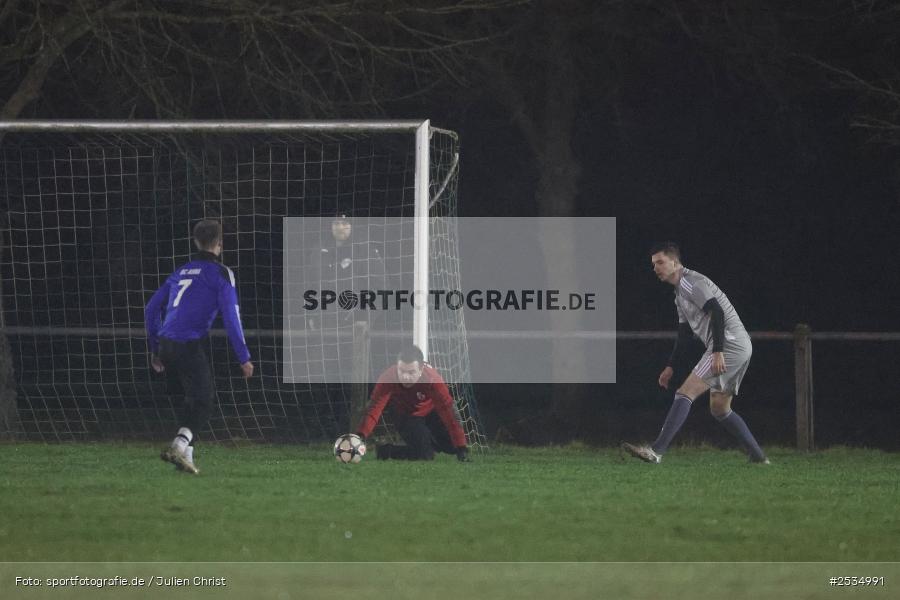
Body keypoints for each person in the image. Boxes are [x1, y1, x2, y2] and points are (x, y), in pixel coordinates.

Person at [622, 242, 769, 464]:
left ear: (674, 262)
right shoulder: (679, 294)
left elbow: (717, 312)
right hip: (739, 345)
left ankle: (656, 451)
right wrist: (671, 366)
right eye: (653, 265)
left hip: (728, 345)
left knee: (685, 392)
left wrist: (718, 351)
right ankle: (758, 458)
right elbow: (683, 334)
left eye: (660, 262)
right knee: (719, 408)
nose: (656, 268)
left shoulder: (690, 282)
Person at [144, 220, 254, 474]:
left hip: (166, 345)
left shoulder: (181, 271)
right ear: (219, 244)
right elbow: (231, 316)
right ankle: (178, 444)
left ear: (196, 242)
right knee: (204, 402)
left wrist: (154, 348)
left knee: (192, 398)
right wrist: (243, 356)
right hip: (187, 343)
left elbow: (151, 309)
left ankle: (187, 459)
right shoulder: (221, 274)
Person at [356, 344, 469, 461]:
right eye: (402, 371)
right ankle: (386, 451)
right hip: (405, 415)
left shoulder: (432, 380)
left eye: (411, 372)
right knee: (425, 455)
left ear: (421, 370)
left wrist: (462, 447)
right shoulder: (388, 377)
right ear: (397, 367)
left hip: (431, 412)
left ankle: (426, 442)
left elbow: (448, 410)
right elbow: (374, 408)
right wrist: (361, 435)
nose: (405, 376)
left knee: (452, 447)